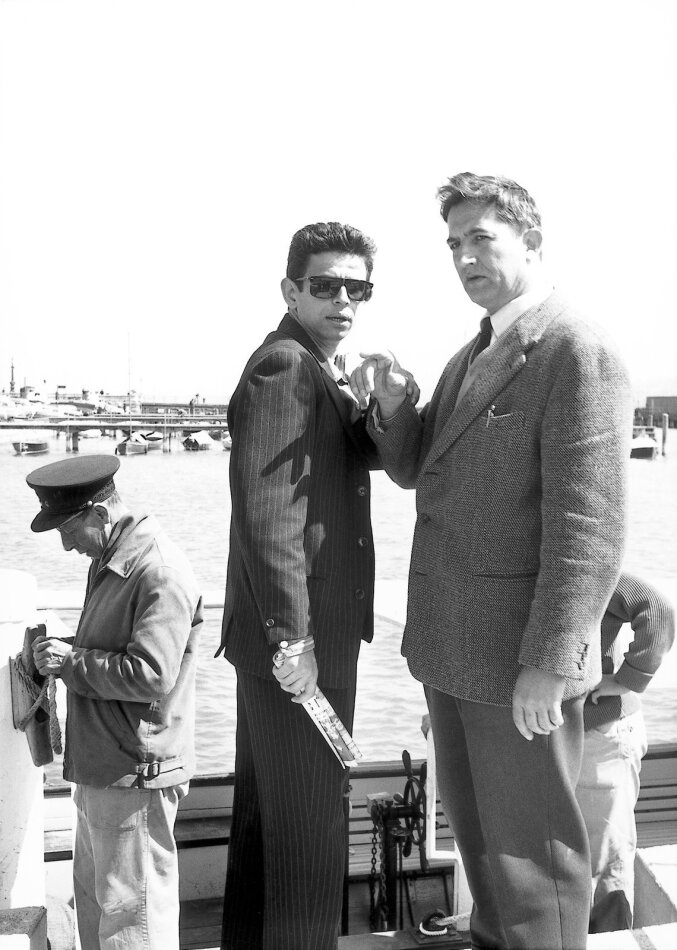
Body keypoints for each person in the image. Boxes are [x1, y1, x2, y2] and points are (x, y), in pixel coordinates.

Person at [350, 172, 633, 950]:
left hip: (516, 660)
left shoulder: (575, 348)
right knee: (483, 851)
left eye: (481, 238)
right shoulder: (473, 351)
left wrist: (549, 660)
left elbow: (589, 525)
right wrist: (394, 404)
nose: (464, 257)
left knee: (533, 864)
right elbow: (417, 467)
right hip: (451, 650)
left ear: (530, 241)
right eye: (453, 244)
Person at [217, 221, 390, 950]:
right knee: (310, 841)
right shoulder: (285, 366)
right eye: (325, 286)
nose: (342, 300)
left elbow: (365, 459)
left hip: (292, 647)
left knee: (271, 833)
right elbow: (268, 517)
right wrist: (295, 641)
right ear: (291, 290)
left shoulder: (319, 365)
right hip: (300, 649)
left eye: (358, 288)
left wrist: (381, 400)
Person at [25, 455, 203, 950]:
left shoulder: (158, 572)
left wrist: (70, 662)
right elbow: (115, 648)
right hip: (105, 768)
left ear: (100, 514)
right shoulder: (111, 559)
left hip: (132, 773)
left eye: (68, 529)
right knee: (101, 907)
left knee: (132, 921)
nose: (66, 544)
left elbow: (151, 674)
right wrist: (67, 650)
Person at [578, 570, 675, 933]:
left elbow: (658, 611)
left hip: (604, 733)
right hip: (566, 735)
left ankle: (610, 940)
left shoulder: (583, 560)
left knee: (606, 860)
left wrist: (627, 679)